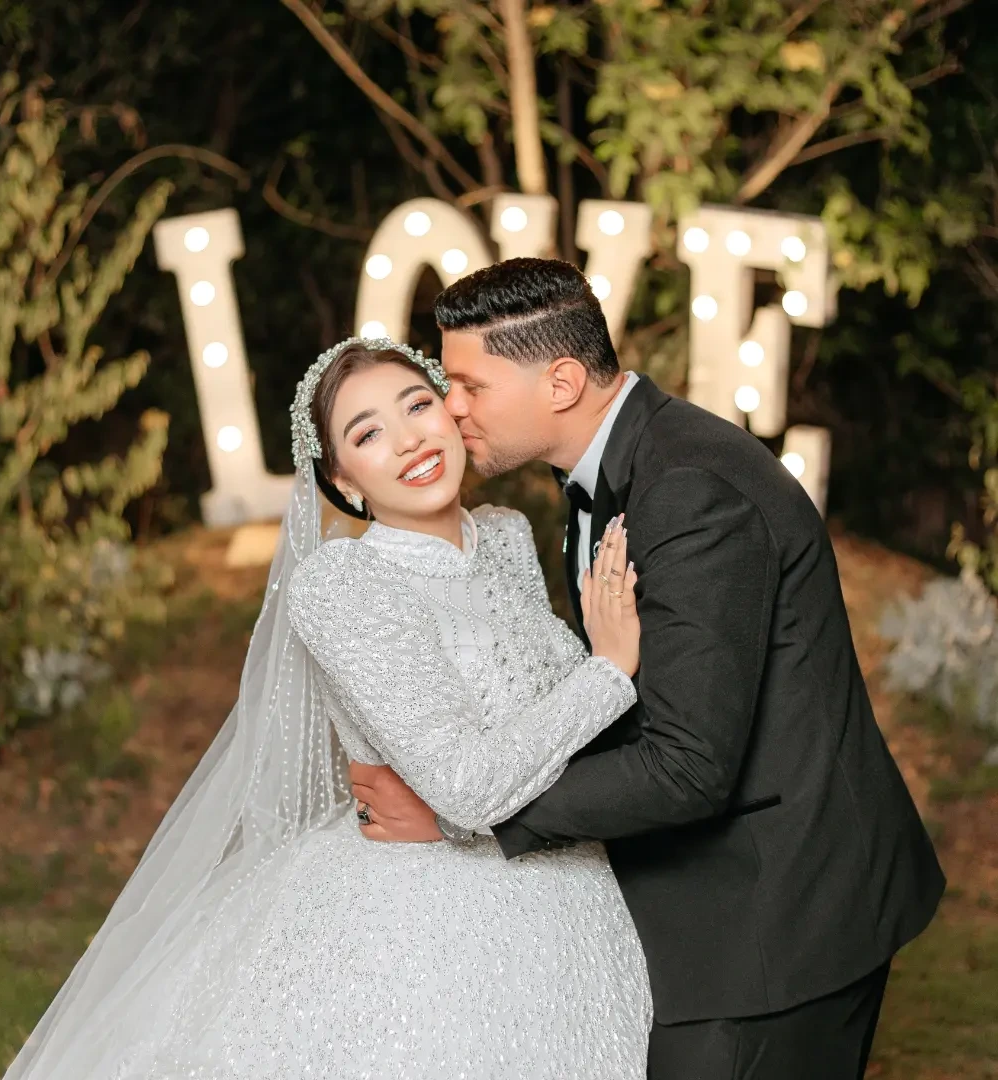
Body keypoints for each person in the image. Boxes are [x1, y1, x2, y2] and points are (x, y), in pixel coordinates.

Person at [350, 258, 947, 1080]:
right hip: (726, 901)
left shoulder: (687, 490)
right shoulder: (614, 466)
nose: (449, 408)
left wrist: (467, 818)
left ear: (561, 382)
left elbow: (688, 764)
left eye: (470, 386)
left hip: (777, 922)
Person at [2, 337, 653, 1080]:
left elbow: (536, 720)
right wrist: (607, 672)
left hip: (574, 888)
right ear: (343, 478)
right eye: (368, 434)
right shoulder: (344, 586)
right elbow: (467, 785)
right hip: (427, 921)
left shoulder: (505, 536)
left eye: (417, 405)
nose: (408, 440)